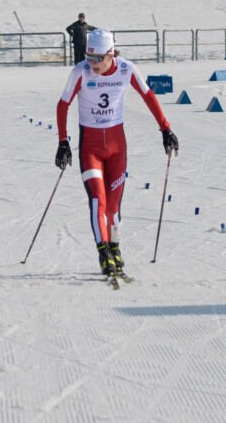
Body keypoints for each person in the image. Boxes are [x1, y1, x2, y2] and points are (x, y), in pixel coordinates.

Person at [54, 29, 179, 279]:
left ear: (111, 54)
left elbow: (148, 96)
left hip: (117, 148)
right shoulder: (81, 71)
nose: (93, 63)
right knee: (98, 200)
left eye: (98, 58)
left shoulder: (126, 69)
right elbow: (63, 104)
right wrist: (63, 142)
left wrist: (166, 129)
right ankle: (103, 251)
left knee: (113, 208)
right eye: (89, 57)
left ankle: (114, 247)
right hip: (90, 148)